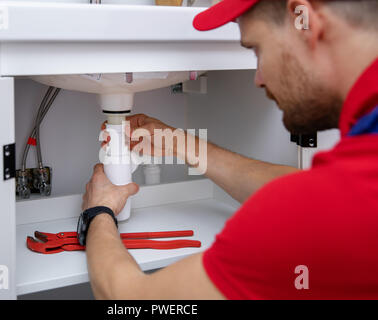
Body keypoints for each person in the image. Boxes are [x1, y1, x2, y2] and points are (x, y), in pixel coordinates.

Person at [81, 0, 378, 299]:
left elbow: (132, 301)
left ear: (305, 21)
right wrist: (180, 143)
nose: (258, 78)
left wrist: (99, 212)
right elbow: (312, 195)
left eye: (257, 49)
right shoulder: (359, 175)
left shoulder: (337, 206)